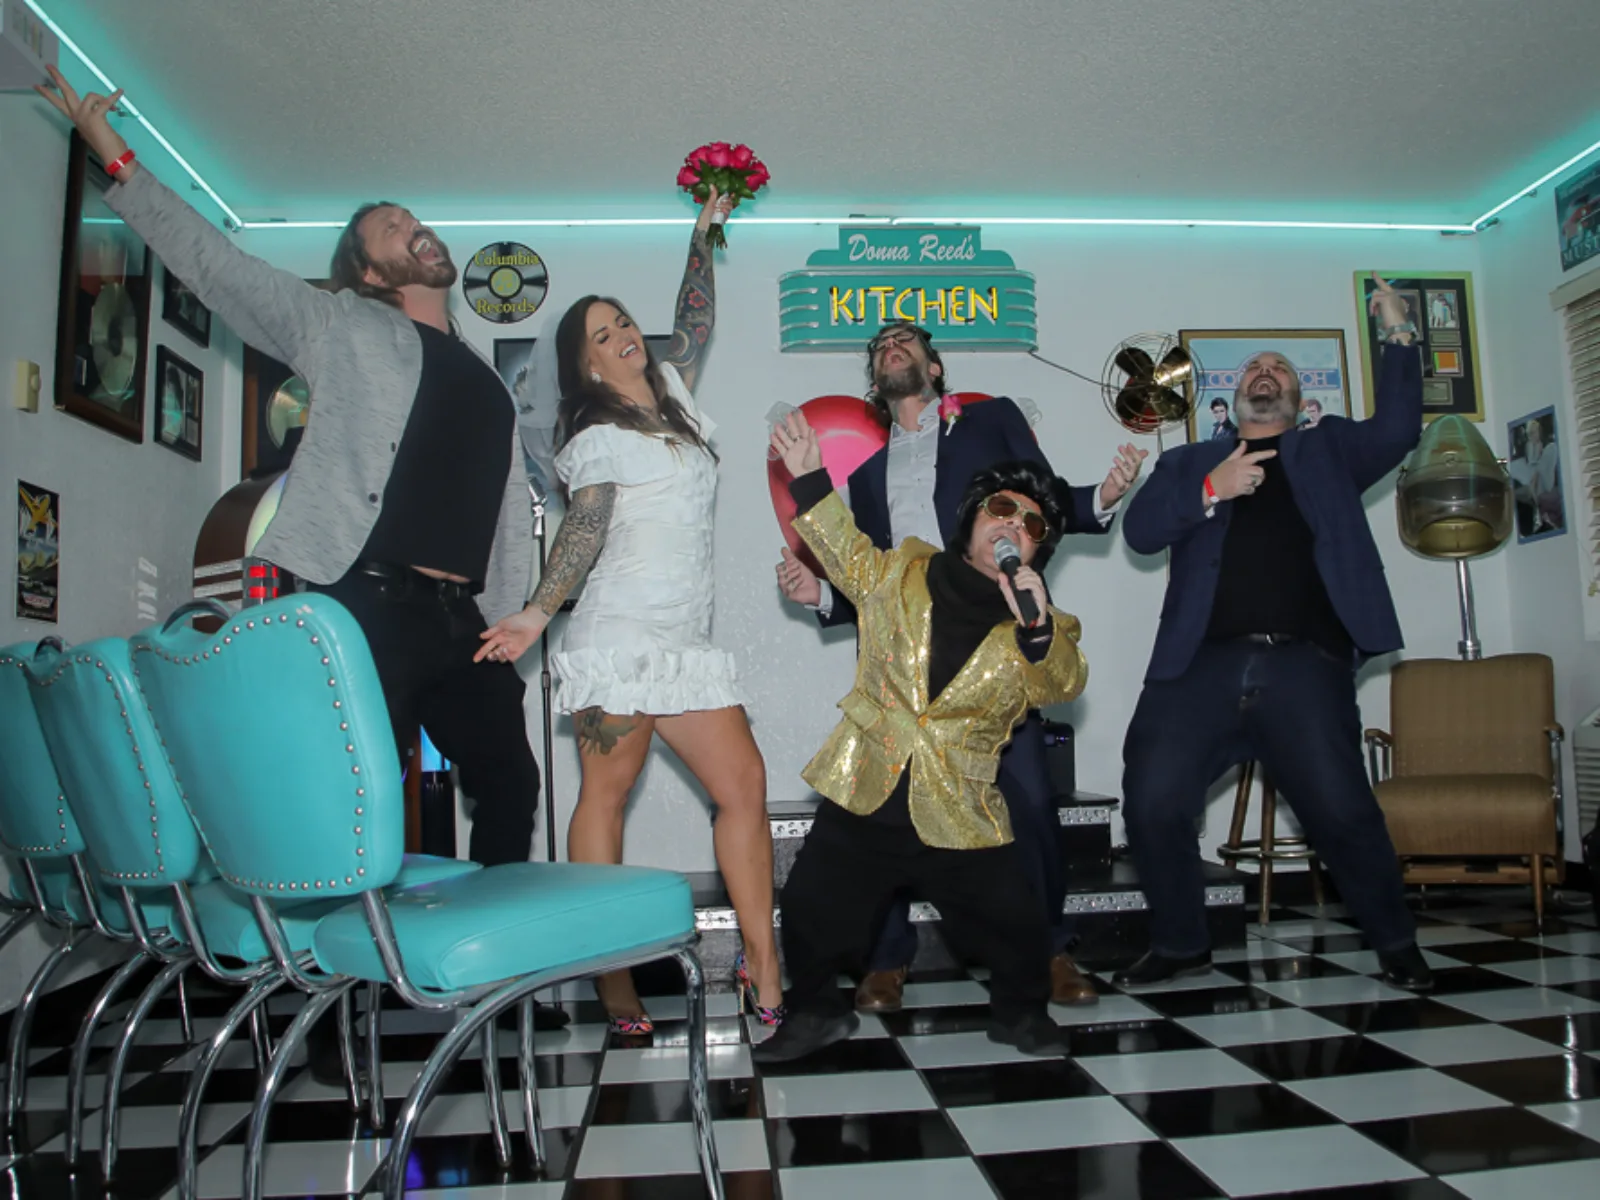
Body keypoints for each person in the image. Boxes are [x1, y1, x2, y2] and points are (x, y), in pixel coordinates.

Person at [35, 68, 572, 1058]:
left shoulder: (487, 373)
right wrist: (115, 162)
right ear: (365, 271)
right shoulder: (341, 325)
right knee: (368, 808)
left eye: (417, 218)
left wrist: (511, 605)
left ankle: (480, 965)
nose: (416, 228)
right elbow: (214, 264)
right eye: (392, 226)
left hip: (465, 621)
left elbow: (502, 501)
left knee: (509, 778)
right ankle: (359, 1001)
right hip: (360, 601)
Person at [476, 195, 784, 1034]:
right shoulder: (595, 436)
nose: (623, 337)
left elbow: (695, 322)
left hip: (683, 644)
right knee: (606, 796)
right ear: (587, 369)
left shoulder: (675, 394)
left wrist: (702, 233)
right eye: (602, 337)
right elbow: (587, 524)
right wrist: (539, 615)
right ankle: (611, 981)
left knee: (744, 785)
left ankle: (766, 962)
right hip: (617, 638)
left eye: (622, 325)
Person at [775, 320, 1144, 1011]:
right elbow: (872, 584)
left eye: (907, 340)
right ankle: (885, 964)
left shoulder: (989, 420)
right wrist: (820, 595)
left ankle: (1051, 951)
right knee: (883, 813)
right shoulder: (865, 478)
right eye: (881, 345)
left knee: (1029, 804)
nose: (893, 346)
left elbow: (1043, 496)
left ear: (935, 369)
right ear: (874, 383)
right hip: (908, 674)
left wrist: (1102, 498)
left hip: (995, 657)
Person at [1114, 274, 1434, 992]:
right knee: (1152, 802)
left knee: (1344, 812)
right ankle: (1180, 943)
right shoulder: (1189, 460)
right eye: (1255, 368)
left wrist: (1397, 332)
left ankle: (1395, 943)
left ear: (1297, 399)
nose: (1267, 373)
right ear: (1234, 398)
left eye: (1280, 369)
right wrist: (1208, 492)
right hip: (1197, 669)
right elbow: (1138, 531)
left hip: (1303, 668)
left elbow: (1401, 428)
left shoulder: (1332, 451)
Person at [758, 411, 1086, 1063]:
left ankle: (1021, 1015)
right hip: (869, 786)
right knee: (810, 906)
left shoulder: (1043, 622)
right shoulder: (903, 572)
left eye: (1031, 524)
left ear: (1039, 548)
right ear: (971, 518)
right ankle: (817, 1013)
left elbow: (1061, 684)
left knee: (1014, 922)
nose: (1012, 525)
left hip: (958, 804)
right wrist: (808, 478)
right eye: (1001, 508)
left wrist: (1038, 630)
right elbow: (846, 553)